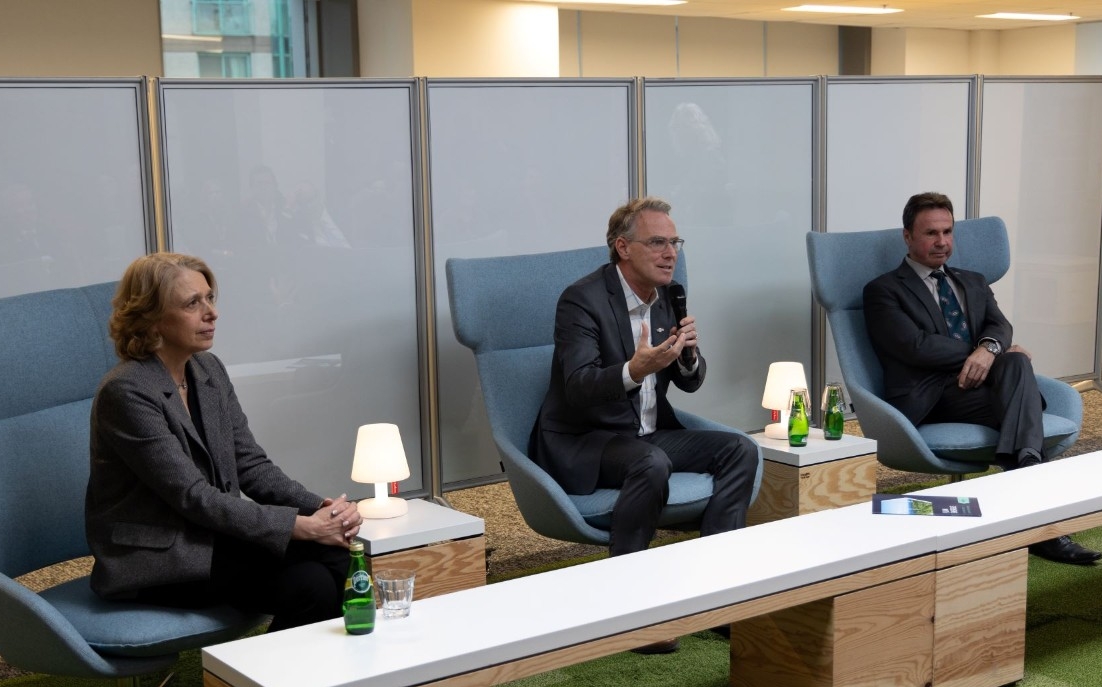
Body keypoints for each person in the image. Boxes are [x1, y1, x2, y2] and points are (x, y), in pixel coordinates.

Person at [86, 252, 363, 632]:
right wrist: (299, 526)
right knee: (310, 585)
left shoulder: (207, 370)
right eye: (191, 303)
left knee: (341, 559)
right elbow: (193, 496)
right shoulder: (126, 392)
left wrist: (324, 510)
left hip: (213, 537)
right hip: (157, 556)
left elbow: (251, 466)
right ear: (151, 320)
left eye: (210, 298)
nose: (211, 313)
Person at [529, 197, 759, 651]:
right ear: (622, 248)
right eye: (657, 242)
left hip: (649, 434)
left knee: (741, 448)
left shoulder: (668, 296)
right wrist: (634, 370)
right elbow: (578, 386)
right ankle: (630, 614)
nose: (670, 252)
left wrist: (688, 356)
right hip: (589, 439)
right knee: (650, 463)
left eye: (674, 242)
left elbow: (688, 384)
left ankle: (716, 595)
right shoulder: (582, 300)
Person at [863, 192, 1100, 565]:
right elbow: (915, 347)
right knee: (1018, 381)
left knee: (1017, 367)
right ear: (907, 236)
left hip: (986, 389)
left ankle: (1024, 472)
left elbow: (999, 325)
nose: (942, 242)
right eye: (930, 233)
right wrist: (988, 353)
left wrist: (990, 348)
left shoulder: (972, 281)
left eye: (947, 232)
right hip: (933, 395)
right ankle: (1043, 518)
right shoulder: (883, 290)